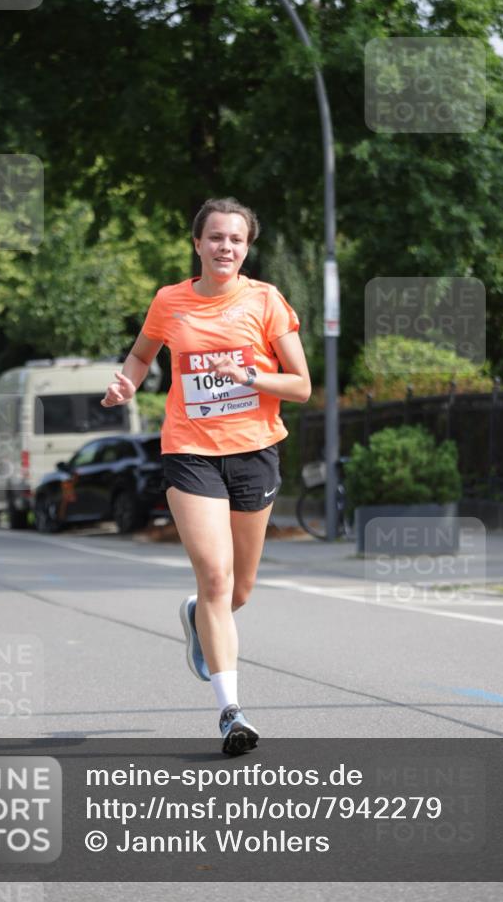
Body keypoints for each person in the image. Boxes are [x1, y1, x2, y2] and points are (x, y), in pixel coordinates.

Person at [101, 197, 311, 755]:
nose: (226, 247)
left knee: (237, 590)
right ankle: (231, 712)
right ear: (198, 244)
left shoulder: (266, 301)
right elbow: (142, 356)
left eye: (236, 240)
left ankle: (196, 618)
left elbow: (301, 385)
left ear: (247, 247)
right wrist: (126, 381)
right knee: (216, 577)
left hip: (254, 452)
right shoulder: (170, 301)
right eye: (215, 237)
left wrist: (249, 374)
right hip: (190, 451)